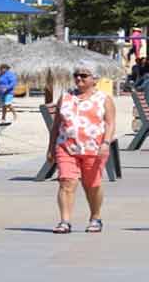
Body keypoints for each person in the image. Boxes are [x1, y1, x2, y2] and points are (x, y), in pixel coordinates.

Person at [46, 64, 116, 233]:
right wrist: (51, 147)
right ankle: (65, 221)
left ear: (94, 79)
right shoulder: (66, 96)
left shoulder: (103, 98)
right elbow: (56, 125)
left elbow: (110, 123)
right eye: (76, 75)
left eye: (84, 75)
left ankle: (95, 217)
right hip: (66, 146)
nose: (79, 78)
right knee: (66, 181)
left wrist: (106, 143)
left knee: (92, 185)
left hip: (94, 148)